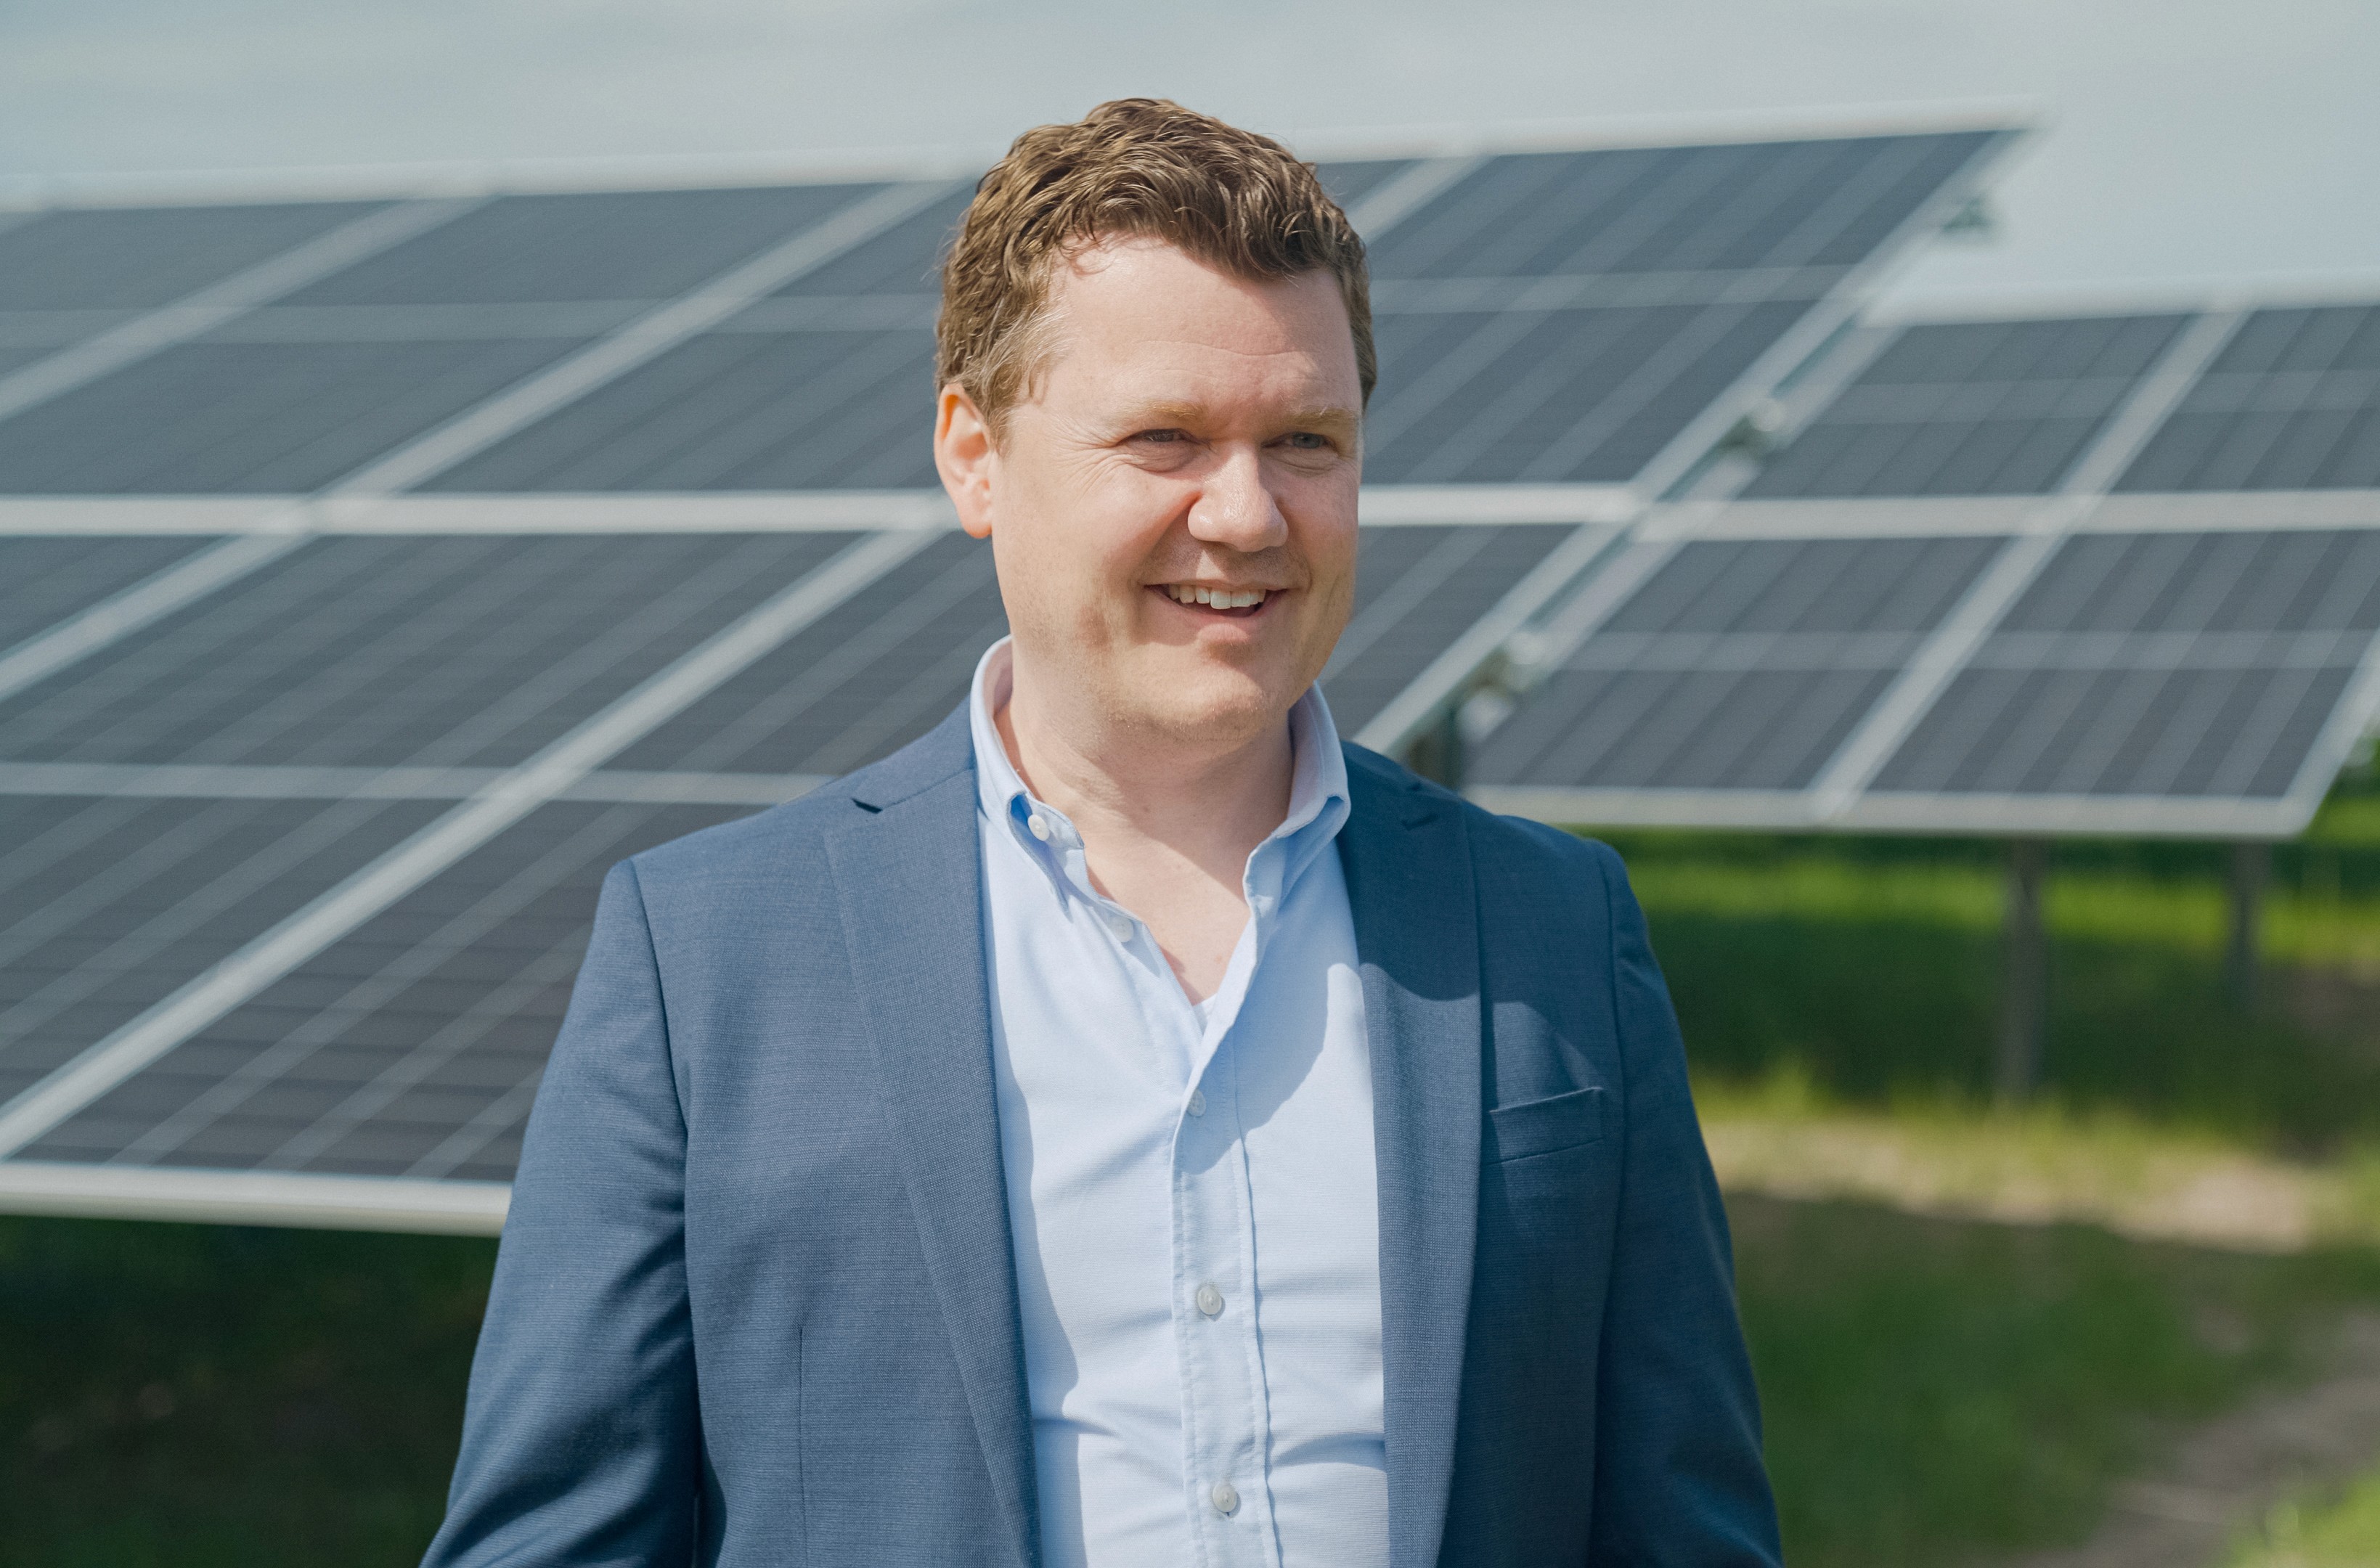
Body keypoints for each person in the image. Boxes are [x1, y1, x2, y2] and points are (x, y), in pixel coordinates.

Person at [422, 97, 1780, 1568]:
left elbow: (1685, 1527)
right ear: (974, 455)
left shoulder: (1551, 926)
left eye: (1306, 440)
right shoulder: (708, 959)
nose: (1247, 515)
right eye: (1163, 439)